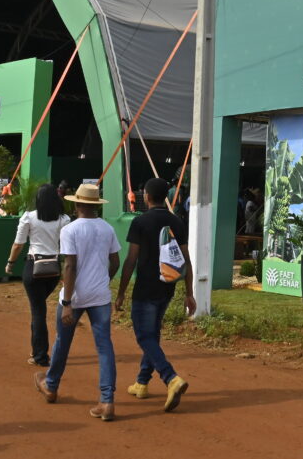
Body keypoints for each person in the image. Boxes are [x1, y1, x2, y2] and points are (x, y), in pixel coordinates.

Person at [34, 183, 120, 421]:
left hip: (76, 295)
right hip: (100, 296)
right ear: (95, 205)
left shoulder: (70, 230)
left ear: (77, 204)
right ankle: (107, 400)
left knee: (63, 341)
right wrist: (104, 280)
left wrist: (67, 302)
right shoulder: (107, 228)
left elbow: (70, 266)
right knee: (104, 346)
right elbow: (115, 261)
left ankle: (51, 385)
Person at [115, 177, 194, 413]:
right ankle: (141, 383)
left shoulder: (140, 222)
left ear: (146, 196)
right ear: (166, 197)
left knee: (144, 336)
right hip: (167, 287)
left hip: (145, 288)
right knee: (153, 334)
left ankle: (171, 378)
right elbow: (186, 260)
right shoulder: (176, 221)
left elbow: (131, 260)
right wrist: (189, 293)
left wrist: (121, 293)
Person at [6, 184, 70, 367]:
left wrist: (10, 263)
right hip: (54, 270)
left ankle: (40, 355)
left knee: (38, 311)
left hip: (34, 267)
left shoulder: (29, 217)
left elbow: (18, 244)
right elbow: (67, 246)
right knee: (39, 307)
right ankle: (38, 350)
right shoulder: (64, 219)